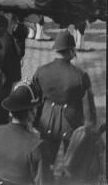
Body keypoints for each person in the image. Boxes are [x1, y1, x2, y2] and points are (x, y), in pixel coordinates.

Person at [31, 31, 97, 182]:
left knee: (46, 162)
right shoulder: (80, 75)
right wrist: (91, 127)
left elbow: (34, 99)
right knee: (74, 162)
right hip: (72, 124)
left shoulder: (41, 71)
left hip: (46, 122)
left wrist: (34, 121)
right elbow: (89, 107)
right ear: (71, 51)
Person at [0, 83, 45, 185]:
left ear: (10, 112)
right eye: (35, 109)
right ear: (31, 113)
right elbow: (39, 180)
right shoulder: (35, 145)